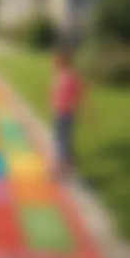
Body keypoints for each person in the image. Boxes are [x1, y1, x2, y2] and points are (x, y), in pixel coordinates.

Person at [51, 50, 86, 179]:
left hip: (65, 113)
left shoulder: (70, 76)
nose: (54, 64)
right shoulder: (61, 74)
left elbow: (80, 92)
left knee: (61, 139)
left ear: (63, 62)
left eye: (56, 62)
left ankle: (60, 168)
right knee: (64, 139)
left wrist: (79, 107)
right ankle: (70, 163)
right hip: (59, 111)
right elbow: (57, 92)